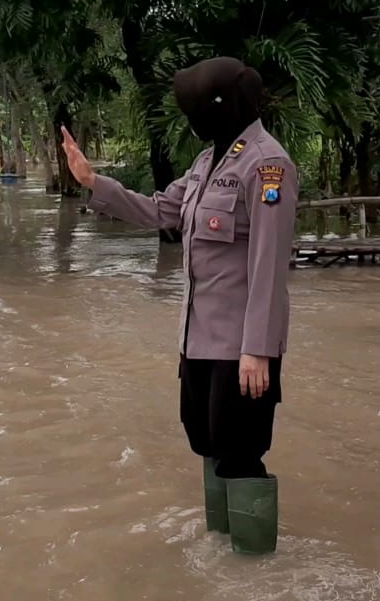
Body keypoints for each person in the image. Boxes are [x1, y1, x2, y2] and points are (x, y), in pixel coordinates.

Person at [61, 56, 297, 555]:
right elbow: (162, 211)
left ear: (223, 106)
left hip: (241, 348)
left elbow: (269, 266)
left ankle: (256, 569)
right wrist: (93, 182)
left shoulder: (267, 165)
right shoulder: (207, 161)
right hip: (199, 339)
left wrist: (257, 349)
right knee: (207, 443)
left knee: (240, 453)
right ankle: (222, 555)